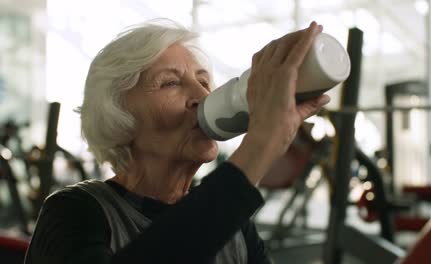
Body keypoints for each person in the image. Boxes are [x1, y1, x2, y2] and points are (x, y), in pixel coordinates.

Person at [24, 19, 330, 264]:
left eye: (203, 81)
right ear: (118, 115)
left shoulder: (235, 230)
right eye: (170, 82)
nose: (201, 96)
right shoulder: (75, 212)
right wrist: (261, 144)